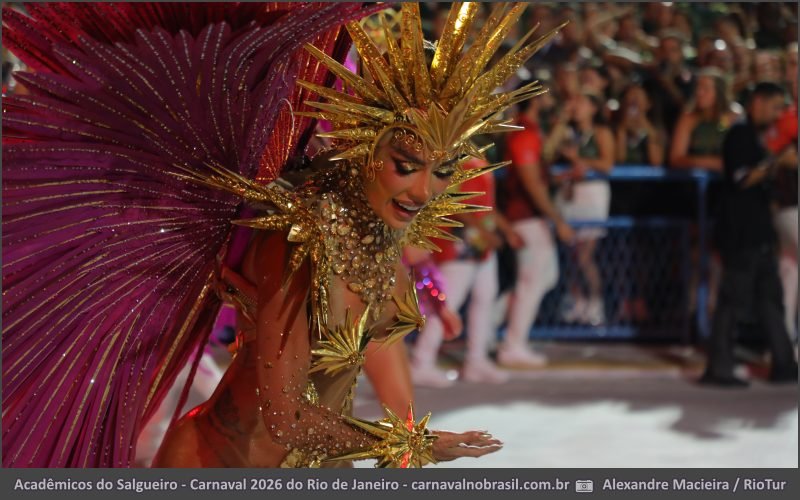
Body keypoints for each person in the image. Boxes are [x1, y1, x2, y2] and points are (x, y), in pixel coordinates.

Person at [2, 2, 557, 467]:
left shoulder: (378, 231)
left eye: (444, 170)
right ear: (366, 149)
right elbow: (286, 415)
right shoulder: (298, 238)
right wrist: (415, 445)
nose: (424, 190)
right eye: (407, 163)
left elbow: (380, 346)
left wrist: (408, 449)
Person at [701, 81, 799, 387]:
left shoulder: (754, 137)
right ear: (757, 101)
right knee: (731, 302)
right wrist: (776, 162)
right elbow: (742, 177)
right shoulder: (739, 134)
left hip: (759, 235)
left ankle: (785, 365)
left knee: (772, 301)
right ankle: (719, 368)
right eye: (774, 106)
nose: (777, 113)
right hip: (741, 235)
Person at [411, 157, 525, 386]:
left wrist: (503, 230)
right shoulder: (456, 161)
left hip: (480, 244)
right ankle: (421, 362)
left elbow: (487, 206)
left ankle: (476, 361)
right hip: (460, 242)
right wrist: (484, 232)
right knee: (448, 302)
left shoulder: (478, 160)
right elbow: (450, 201)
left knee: (485, 297)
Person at [498, 84, 575, 368]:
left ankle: (497, 332)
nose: (550, 99)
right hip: (525, 216)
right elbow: (530, 183)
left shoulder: (528, 129)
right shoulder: (524, 131)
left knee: (545, 276)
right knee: (531, 281)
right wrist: (558, 220)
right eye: (546, 94)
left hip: (528, 216)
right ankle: (512, 344)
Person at [545, 91, 615, 326]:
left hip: (592, 195)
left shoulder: (602, 133)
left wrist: (580, 161)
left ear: (594, 108)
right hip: (568, 193)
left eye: (582, 101)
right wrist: (562, 122)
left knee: (585, 255)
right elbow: (548, 154)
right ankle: (576, 303)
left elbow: (607, 164)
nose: (576, 106)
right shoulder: (566, 132)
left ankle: (596, 303)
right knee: (572, 255)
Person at [669, 68, 740, 172]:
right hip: (693, 181)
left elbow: (738, 160)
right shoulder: (688, 117)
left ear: (719, 92)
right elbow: (676, 159)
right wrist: (717, 163)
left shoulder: (734, 116)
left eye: (705, 88)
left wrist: (693, 161)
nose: (699, 92)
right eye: (698, 87)